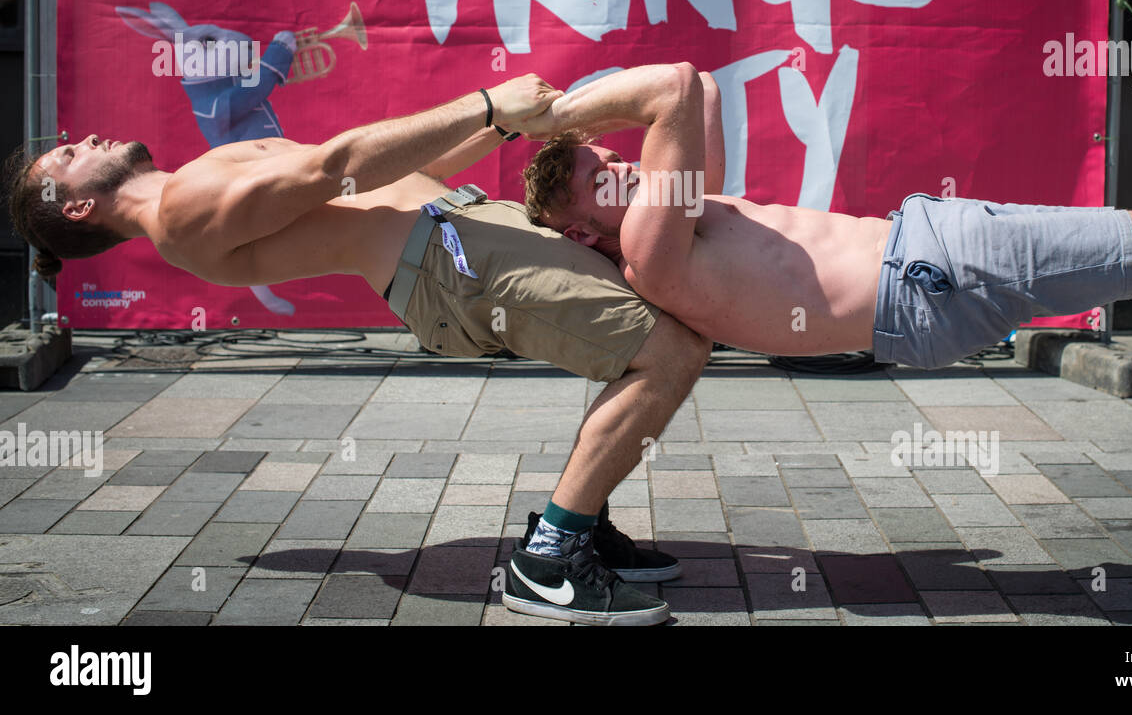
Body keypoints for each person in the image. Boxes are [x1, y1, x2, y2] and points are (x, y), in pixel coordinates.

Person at [3, 74, 711, 626]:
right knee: (670, 350)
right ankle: (553, 557)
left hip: (459, 231)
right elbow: (335, 164)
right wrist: (489, 99)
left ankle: (582, 522)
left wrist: (499, 123)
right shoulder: (182, 212)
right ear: (76, 208)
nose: (85, 138)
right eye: (68, 156)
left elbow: (375, 177)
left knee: (676, 312)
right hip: (453, 267)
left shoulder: (193, 182)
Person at [521, 62, 1132, 370]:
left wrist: (575, 137)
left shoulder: (680, 216)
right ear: (583, 230)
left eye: (610, 157)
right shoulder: (653, 255)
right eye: (599, 176)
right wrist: (547, 118)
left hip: (927, 267)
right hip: (929, 272)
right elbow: (677, 88)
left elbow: (708, 96)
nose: (620, 165)